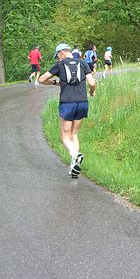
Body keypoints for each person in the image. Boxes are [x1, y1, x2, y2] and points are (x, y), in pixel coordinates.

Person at [38, 43, 96, 178]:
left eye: (57, 56)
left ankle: (75, 155)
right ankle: (74, 166)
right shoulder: (83, 63)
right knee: (74, 134)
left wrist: (54, 82)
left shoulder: (60, 65)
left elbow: (41, 79)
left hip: (67, 103)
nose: (58, 58)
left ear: (61, 53)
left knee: (65, 136)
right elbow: (92, 83)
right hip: (82, 102)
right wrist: (92, 93)